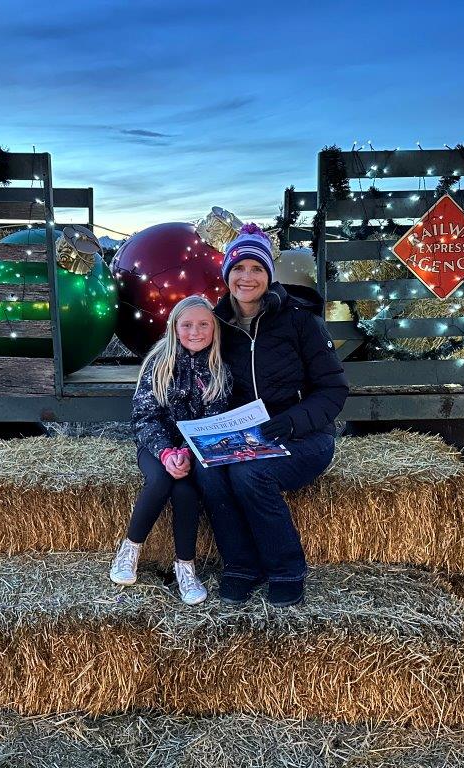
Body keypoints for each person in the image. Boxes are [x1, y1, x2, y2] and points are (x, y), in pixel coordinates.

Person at [196, 223, 348, 607]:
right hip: (247, 434)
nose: (247, 277)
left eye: (257, 268)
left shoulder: (300, 321)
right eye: (239, 268)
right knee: (209, 472)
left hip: (303, 435)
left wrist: (293, 420)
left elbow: (333, 390)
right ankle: (241, 566)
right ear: (227, 273)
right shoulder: (217, 325)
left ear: (269, 274)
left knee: (251, 474)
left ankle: (286, 568)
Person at [109, 294, 232, 605]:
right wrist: (166, 452)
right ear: (174, 327)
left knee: (186, 490)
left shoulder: (220, 368)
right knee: (162, 480)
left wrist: (187, 453)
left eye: (204, 324)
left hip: (193, 449)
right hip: (155, 444)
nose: (195, 331)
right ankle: (131, 549)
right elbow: (144, 416)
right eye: (187, 324)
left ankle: (185, 567)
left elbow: (214, 420)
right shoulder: (158, 362)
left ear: (214, 329)